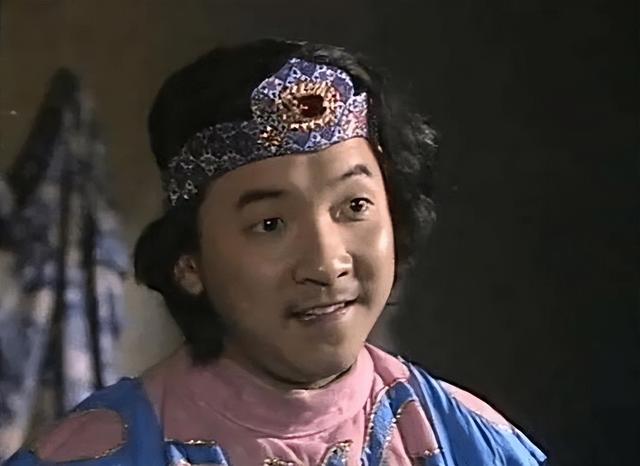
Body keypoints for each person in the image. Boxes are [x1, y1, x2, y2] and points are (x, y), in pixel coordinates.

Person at [5, 39, 547, 466]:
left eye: (354, 206)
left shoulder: (469, 440)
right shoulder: (95, 453)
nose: (327, 264)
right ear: (189, 263)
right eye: (270, 224)